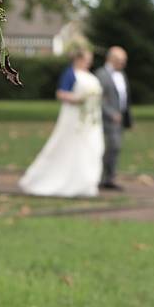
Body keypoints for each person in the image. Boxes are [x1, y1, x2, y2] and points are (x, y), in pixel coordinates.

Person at [18, 44, 104, 198]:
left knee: (91, 148)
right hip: (74, 119)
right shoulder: (70, 74)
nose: (88, 62)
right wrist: (77, 99)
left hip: (90, 120)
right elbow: (61, 93)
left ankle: (86, 183)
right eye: (86, 59)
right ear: (78, 58)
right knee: (69, 147)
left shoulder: (90, 75)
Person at [94, 46, 131, 190]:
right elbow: (99, 98)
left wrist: (127, 117)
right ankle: (104, 178)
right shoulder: (101, 75)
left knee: (115, 148)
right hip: (107, 119)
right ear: (110, 59)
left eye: (124, 60)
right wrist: (110, 113)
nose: (122, 63)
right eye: (120, 60)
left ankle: (109, 178)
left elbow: (124, 97)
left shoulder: (122, 75)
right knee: (111, 147)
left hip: (120, 119)